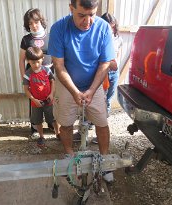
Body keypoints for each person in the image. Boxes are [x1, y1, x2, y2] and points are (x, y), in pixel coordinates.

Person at [48, 0, 115, 182]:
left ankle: (105, 161)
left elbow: (105, 63)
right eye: (81, 15)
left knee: (102, 123)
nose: (87, 21)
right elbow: (59, 66)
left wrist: (92, 90)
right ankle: (69, 155)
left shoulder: (103, 28)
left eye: (92, 15)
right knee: (66, 123)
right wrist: (74, 91)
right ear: (71, 9)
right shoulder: (58, 29)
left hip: (94, 84)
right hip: (67, 84)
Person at [19, 8, 57, 136]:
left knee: (50, 101)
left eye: (36, 22)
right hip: (33, 78)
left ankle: (52, 125)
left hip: (48, 76)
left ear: (41, 21)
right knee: (34, 102)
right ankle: (35, 127)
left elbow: (57, 57)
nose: (34, 26)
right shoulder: (26, 40)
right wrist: (24, 77)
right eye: (30, 23)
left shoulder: (50, 37)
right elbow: (21, 60)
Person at [92, 13, 123, 144]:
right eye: (108, 25)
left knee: (108, 100)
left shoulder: (118, 39)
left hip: (113, 73)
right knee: (96, 100)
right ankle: (91, 125)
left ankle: (102, 127)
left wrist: (115, 66)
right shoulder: (97, 38)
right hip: (102, 73)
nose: (110, 28)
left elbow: (117, 59)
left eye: (112, 25)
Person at [23, 47, 60, 147]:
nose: (36, 65)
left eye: (38, 62)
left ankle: (58, 133)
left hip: (48, 100)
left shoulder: (47, 70)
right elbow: (26, 89)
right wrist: (33, 99)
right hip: (35, 103)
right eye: (33, 62)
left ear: (42, 59)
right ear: (28, 61)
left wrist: (51, 94)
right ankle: (41, 136)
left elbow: (53, 81)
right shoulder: (27, 74)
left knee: (53, 118)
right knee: (38, 120)